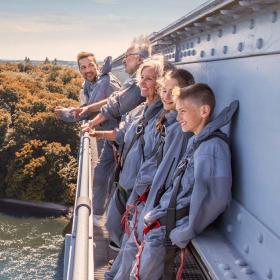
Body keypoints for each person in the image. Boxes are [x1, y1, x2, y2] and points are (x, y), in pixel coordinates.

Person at [128, 84, 238, 280]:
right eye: (177, 112)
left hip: (168, 233)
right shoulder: (196, 142)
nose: (178, 118)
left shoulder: (210, 148)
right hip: (161, 227)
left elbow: (216, 198)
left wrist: (187, 231)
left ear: (204, 111)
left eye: (183, 111)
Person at [105, 69, 195, 280]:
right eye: (164, 89)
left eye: (172, 91)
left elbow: (167, 174)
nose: (165, 95)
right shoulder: (165, 120)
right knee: (129, 249)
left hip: (153, 206)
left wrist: (148, 203)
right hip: (144, 200)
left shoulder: (179, 130)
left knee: (137, 256)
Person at [84, 57, 164, 247]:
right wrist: (95, 133)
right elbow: (120, 134)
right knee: (114, 225)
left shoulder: (162, 119)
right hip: (124, 182)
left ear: (159, 83)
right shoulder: (138, 111)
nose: (142, 83)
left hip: (140, 190)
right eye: (141, 78)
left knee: (129, 234)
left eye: (149, 79)